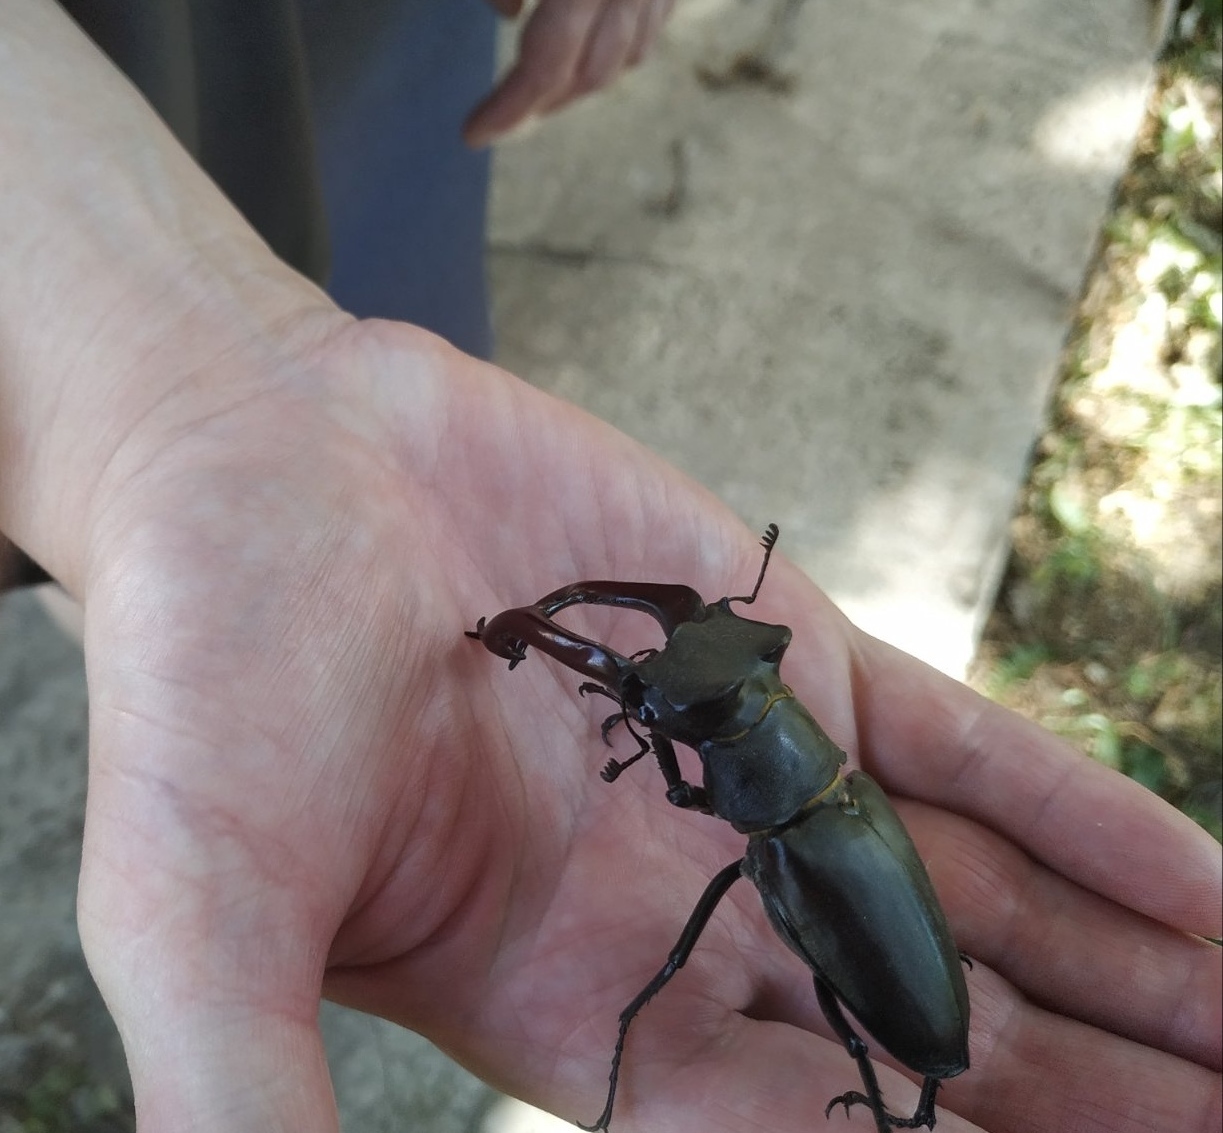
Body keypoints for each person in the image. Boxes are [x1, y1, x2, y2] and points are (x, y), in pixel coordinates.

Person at [1, 2, 1219, 1130]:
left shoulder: (772, 832)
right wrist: (166, 408)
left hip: (360, 69)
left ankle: (887, 1092)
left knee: (824, 983)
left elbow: (696, 791)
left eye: (705, 703)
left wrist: (624, 691)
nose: (673, 693)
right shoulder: (823, 793)